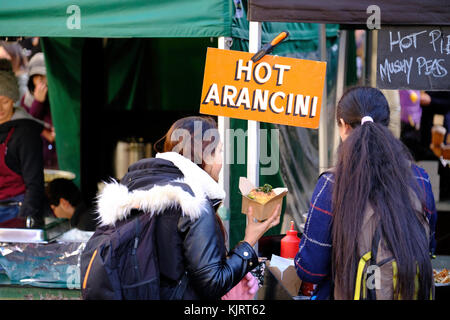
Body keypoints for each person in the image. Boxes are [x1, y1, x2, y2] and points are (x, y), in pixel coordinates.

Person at [95, 116, 280, 299]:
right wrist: (248, 242)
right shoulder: (193, 202)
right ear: (205, 156)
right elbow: (213, 284)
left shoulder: (134, 190)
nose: (222, 161)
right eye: (220, 151)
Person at [294, 87, 437, 300]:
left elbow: (311, 269)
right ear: (387, 124)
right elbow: (428, 249)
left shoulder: (331, 184)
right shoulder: (420, 179)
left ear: (342, 125)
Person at [0, 59, 46, 228]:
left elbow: (34, 183)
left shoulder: (25, 132)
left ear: (13, 100)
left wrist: (27, 219)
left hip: (16, 210)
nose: (0, 108)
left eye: (5, 101)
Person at [20, 52, 58, 169]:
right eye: (37, 77)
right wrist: (38, 102)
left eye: (43, 76)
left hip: (57, 159)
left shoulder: (57, 98)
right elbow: (28, 127)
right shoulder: (27, 100)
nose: (41, 81)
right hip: (37, 159)